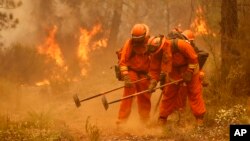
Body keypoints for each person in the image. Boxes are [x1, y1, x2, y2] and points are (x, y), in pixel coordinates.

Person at [147, 35, 206, 127]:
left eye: (159, 52)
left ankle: (199, 120)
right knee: (168, 95)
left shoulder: (180, 44)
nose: (158, 54)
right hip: (173, 71)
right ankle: (162, 118)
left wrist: (189, 72)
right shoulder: (156, 53)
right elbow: (154, 69)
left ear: (162, 46)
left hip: (190, 68)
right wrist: (153, 81)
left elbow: (194, 58)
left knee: (194, 93)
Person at [116, 23, 151, 126]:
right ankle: (121, 120)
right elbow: (123, 62)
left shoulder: (150, 43)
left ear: (145, 35)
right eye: (135, 38)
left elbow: (155, 60)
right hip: (131, 71)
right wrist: (126, 76)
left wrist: (152, 74)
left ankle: (145, 120)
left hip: (145, 73)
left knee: (145, 95)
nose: (137, 41)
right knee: (128, 93)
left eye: (139, 39)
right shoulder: (129, 43)